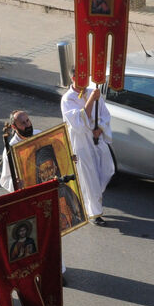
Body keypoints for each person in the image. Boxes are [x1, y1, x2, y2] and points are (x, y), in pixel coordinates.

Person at [61, 82, 114, 226]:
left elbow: (105, 114)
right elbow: (79, 124)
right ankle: (94, 213)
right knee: (90, 179)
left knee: (108, 170)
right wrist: (91, 99)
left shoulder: (92, 90)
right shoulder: (67, 99)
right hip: (81, 144)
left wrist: (101, 128)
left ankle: (93, 199)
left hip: (97, 140)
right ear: (72, 78)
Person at [34, 145, 85, 231]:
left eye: (50, 168)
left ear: (55, 168)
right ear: (40, 174)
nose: (49, 173)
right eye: (44, 171)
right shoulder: (36, 195)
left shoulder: (65, 191)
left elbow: (80, 217)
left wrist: (69, 218)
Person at [0, 110, 34, 192]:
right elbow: (4, 180)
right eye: (23, 123)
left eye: (27, 120)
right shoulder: (11, 149)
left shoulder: (39, 134)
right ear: (14, 127)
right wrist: (15, 183)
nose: (27, 125)